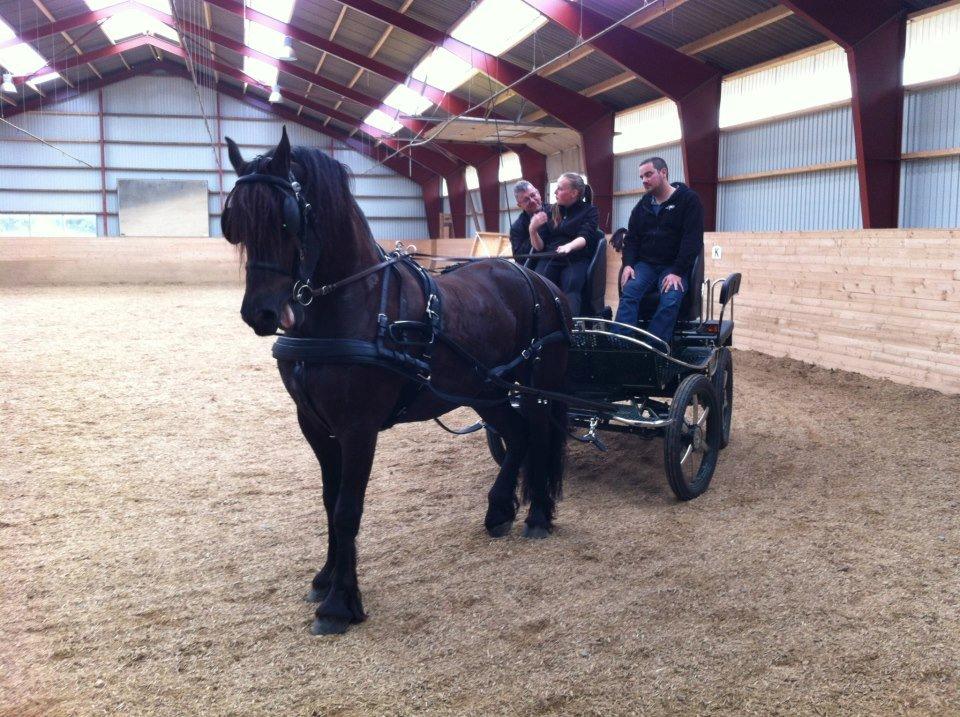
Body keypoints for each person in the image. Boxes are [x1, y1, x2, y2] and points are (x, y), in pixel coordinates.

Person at [614, 157, 704, 345]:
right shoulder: (642, 205)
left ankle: (654, 348)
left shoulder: (689, 200)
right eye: (641, 177)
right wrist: (628, 265)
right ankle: (620, 345)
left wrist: (678, 272)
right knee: (629, 291)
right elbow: (632, 240)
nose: (644, 180)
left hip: (672, 267)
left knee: (670, 298)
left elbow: (692, 240)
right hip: (645, 266)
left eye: (648, 174)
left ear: (663, 172)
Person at [526, 172, 601, 317]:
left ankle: (572, 331)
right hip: (550, 257)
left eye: (559, 188)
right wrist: (532, 230)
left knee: (571, 286)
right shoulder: (549, 210)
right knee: (538, 285)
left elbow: (584, 237)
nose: (555, 192)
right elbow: (539, 247)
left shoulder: (590, 211)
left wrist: (569, 246)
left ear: (574, 193)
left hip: (575, 259)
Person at [508, 179, 544, 260]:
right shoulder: (516, 228)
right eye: (526, 200)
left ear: (538, 193)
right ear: (519, 205)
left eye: (533, 195)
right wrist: (533, 231)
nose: (532, 201)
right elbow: (519, 258)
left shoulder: (555, 210)